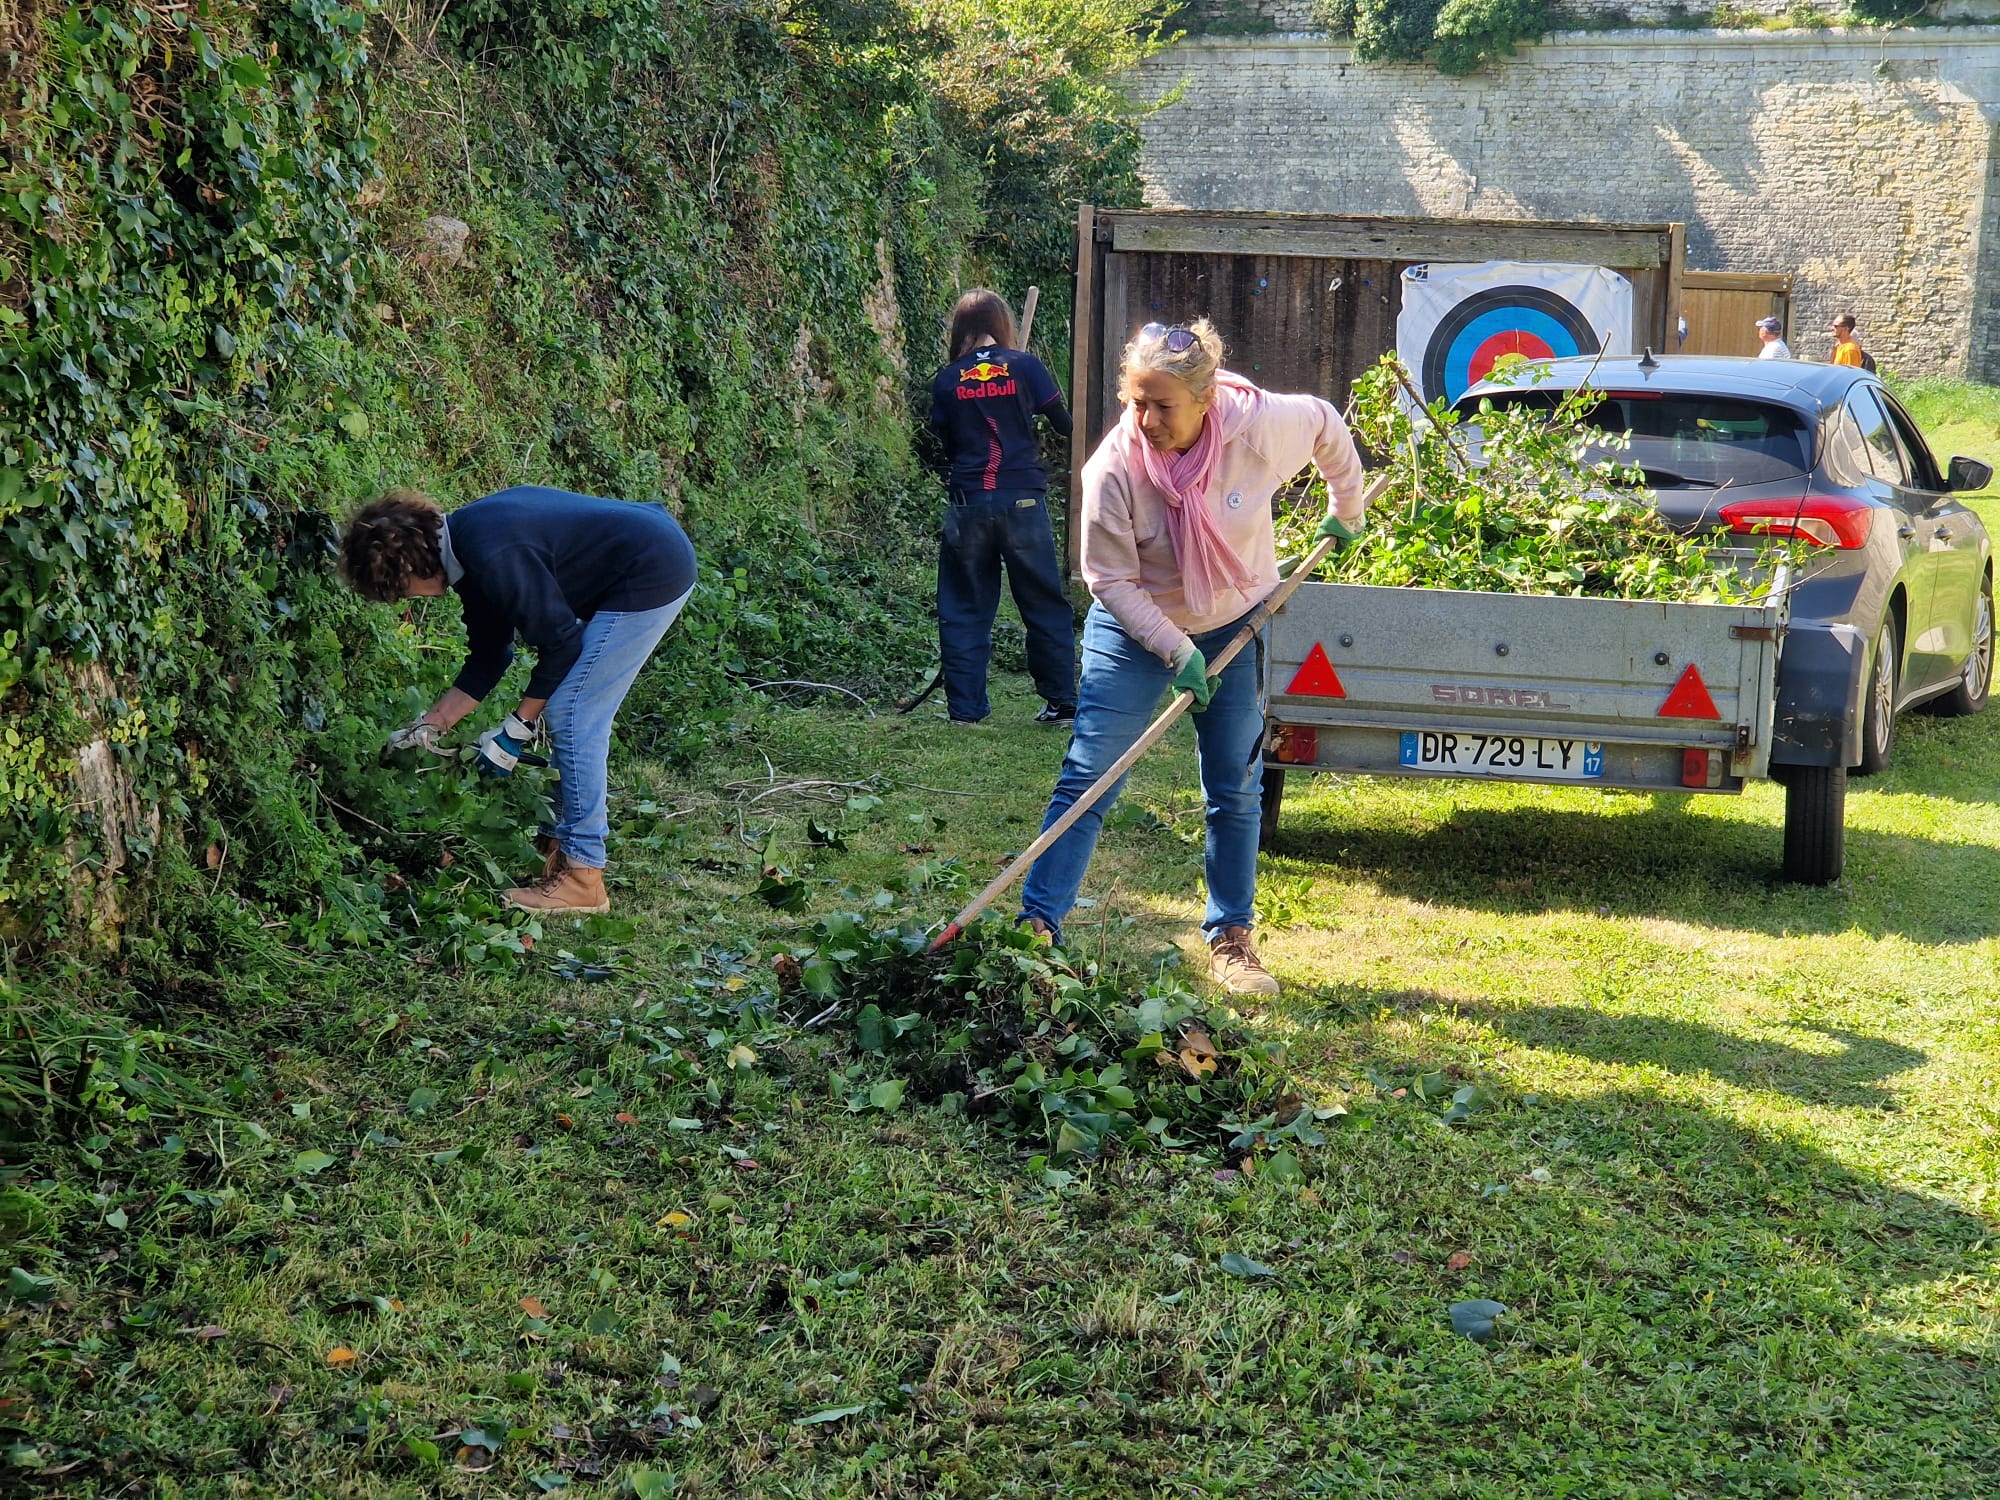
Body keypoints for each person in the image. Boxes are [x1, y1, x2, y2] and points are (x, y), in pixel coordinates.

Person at [1017, 319, 1368, 997]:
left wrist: (1345, 507)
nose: (1144, 419)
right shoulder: (1115, 469)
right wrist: (1175, 648)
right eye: (1136, 402)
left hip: (1236, 623)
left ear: (1206, 399)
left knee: (1234, 790)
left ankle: (1232, 939)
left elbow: (1326, 423)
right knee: (1090, 776)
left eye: (1161, 405)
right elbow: (1109, 579)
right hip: (1136, 630)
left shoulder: (1260, 428)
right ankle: (1040, 927)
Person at [343, 486, 696, 915]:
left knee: (573, 712)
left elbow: (561, 644)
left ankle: (584, 877)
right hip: (643, 551)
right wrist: (429, 727)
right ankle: (558, 849)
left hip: (652, 568)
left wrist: (517, 727)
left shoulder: (491, 553)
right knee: (570, 706)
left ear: (409, 566)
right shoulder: (468, 551)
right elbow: (491, 656)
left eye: (400, 590)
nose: (407, 600)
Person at [926, 289, 1078, 726]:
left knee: (964, 607)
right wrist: (1020, 407)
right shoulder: (1026, 366)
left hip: (968, 501)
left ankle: (966, 710)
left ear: (961, 329)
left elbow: (946, 441)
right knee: (1044, 603)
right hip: (1023, 501)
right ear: (1003, 323)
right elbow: (1066, 425)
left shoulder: (947, 378)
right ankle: (1062, 702)